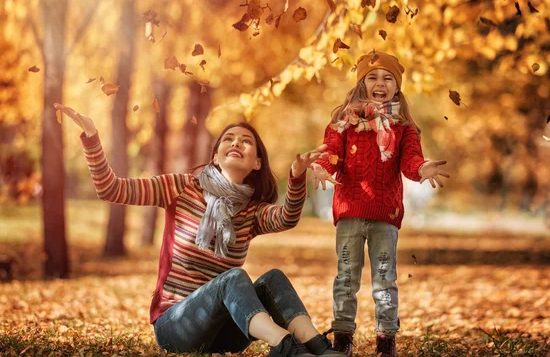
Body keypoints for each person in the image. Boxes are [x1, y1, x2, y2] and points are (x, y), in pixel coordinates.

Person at [55, 103, 346, 357]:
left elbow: (286, 217)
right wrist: (91, 137)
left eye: (246, 141)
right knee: (232, 278)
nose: (236, 143)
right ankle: (284, 346)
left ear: (257, 163)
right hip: (176, 325)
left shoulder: (250, 211)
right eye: (228, 139)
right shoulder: (182, 188)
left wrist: (296, 177)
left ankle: (318, 347)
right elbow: (111, 188)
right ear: (216, 156)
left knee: (273, 279)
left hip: (224, 331)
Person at [310, 51, 449, 357]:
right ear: (361, 83)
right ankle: (343, 339)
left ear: (397, 88)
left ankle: (386, 342)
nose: (380, 83)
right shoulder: (342, 123)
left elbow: (410, 160)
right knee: (346, 276)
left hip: (385, 215)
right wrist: (322, 167)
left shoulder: (404, 129)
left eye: (388, 78)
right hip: (349, 212)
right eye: (372, 77)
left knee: (384, 279)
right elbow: (331, 153)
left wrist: (422, 169)